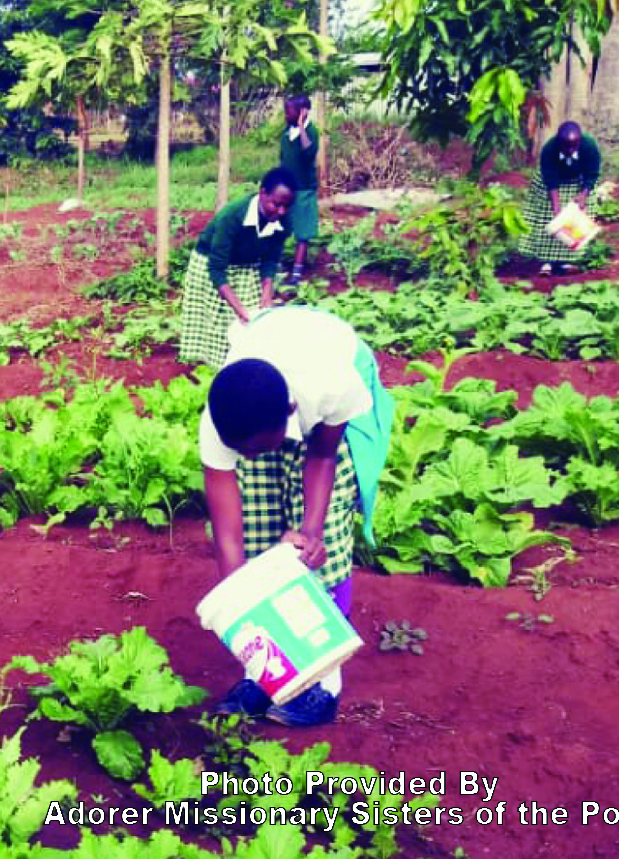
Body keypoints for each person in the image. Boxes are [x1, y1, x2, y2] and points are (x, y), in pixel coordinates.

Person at [198, 305, 395, 727]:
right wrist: (243, 610)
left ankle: (326, 684)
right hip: (264, 394)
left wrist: (311, 532)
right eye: (242, 454)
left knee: (324, 547)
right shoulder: (222, 422)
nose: (248, 460)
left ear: (289, 414)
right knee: (258, 528)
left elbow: (322, 455)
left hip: (329, 393)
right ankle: (266, 673)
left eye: (255, 450)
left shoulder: (330, 385)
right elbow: (230, 534)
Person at [179, 168, 296, 368]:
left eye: (286, 206)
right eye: (276, 204)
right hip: (211, 266)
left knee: (252, 324)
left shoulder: (284, 221)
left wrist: (267, 293)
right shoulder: (232, 216)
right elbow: (216, 269)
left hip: (247, 266)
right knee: (216, 324)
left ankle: (242, 367)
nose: (281, 211)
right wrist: (239, 309)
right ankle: (210, 371)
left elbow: (270, 259)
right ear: (262, 193)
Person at [519, 122, 602, 277]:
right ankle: (546, 262)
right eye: (566, 147)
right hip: (551, 184)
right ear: (558, 142)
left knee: (576, 221)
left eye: (573, 146)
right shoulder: (549, 149)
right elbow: (550, 180)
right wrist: (556, 208)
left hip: (579, 181)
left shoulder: (589, 146)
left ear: (579, 142)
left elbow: (592, 173)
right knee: (549, 217)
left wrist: (584, 195)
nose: (570, 150)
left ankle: (567, 261)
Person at [279, 95, 320, 285]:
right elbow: (282, 159)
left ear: (302, 112)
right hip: (287, 189)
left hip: (304, 190)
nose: (286, 114)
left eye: (290, 111)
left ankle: (296, 272)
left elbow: (308, 152)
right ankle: (277, 265)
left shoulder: (311, 132)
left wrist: (302, 125)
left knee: (302, 232)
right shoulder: (286, 133)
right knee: (280, 225)